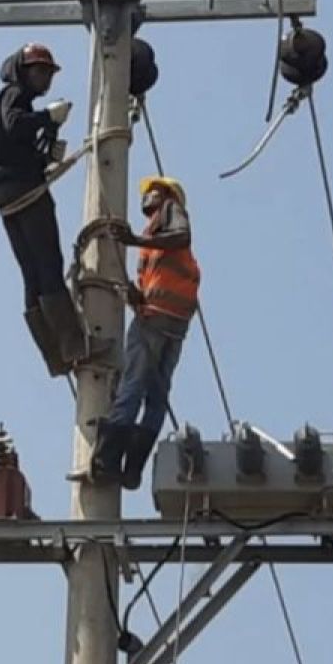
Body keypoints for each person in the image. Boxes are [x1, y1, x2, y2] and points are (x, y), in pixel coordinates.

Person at [0, 42, 97, 377]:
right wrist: (46, 116)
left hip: (6, 191)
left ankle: (55, 354)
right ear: (23, 70)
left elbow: (18, 140)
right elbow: (15, 124)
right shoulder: (14, 95)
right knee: (48, 263)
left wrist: (48, 139)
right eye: (40, 71)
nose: (45, 79)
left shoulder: (16, 100)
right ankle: (73, 344)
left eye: (48, 73)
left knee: (32, 272)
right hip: (22, 188)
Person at [90, 176, 200, 489]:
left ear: (168, 195)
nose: (148, 196)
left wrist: (134, 240)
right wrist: (132, 294)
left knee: (132, 386)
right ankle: (133, 468)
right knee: (156, 397)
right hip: (174, 326)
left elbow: (182, 235)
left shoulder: (170, 213)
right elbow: (157, 285)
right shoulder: (152, 252)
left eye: (154, 191)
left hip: (157, 321)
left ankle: (108, 459)